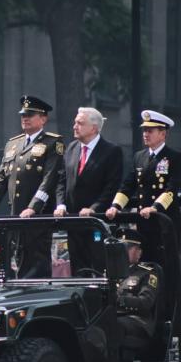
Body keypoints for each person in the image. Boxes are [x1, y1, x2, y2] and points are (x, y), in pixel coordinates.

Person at [0, 95, 64, 278]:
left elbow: (49, 179)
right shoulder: (13, 144)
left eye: (31, 115)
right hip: (16, 213)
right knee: (18, 260)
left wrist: (33, 207)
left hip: (38, 216)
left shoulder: (52, 143)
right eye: (23, 114)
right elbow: (0, 179)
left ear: (43, 118)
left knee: (36, 264)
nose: (25, 118)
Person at [106, 110, 181, 264]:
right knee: (146, 264)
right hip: (144, 223)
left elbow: (172, 188)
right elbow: (128, 185)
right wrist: (116, 206)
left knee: (166, 264)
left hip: (164, 221)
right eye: (144, 130)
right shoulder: (139, 156)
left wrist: (155, 207)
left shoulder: (174, 157)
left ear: (163, 134)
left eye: (150, 131)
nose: (145, 134)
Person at [54, 106, 123, 271]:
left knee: (98, 267)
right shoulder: (71, 148)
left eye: (80, 123)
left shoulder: (111, 151)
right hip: (73, 221)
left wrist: (94, 208)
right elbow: (62, 181)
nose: (74, 126)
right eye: (74, 122)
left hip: (96, 223)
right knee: (78, 269)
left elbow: (112, 186)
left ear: (94, 128)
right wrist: (61, 204)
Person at [114, 229, 161, 360]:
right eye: (121, 247)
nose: (123, 251)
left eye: (128, 248)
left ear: (139, 252)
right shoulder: (111, 273)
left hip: (138, 322)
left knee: (113, 326)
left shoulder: (147, 273)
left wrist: (120, 300)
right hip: (114, 317)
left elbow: (146, 302)